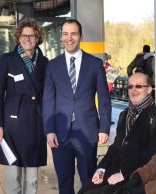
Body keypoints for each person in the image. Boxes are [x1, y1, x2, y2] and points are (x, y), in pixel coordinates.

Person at [42, 19, 112, 194]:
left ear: (81, 36)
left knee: (89, 180)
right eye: (65, 34)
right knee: (64, 182)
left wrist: (104, 127)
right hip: (60, 134)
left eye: (73, 33)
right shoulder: (53, 65)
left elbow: (104, 99)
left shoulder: (95, 64)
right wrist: (49, 130)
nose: (69, 38)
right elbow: (48, 100)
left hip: (87, 132)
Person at [78, 72, 156, 194]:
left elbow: (153, 154)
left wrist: (124, 174)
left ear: (149, 89)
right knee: (84, 190)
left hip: (136, 176)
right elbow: (115, 147)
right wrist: (101, 168)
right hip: (114, 171)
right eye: (130, 86)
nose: (133, 90)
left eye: (139, 86)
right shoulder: (125, 115)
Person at [0, 18, 48, 194]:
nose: (27, 39)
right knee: (13, 175)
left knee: (32, 179)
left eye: (32, 35)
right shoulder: (8, 59)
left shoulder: (45, 62)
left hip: (35, 123)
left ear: (37, 37)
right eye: (24, 35)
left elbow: (48, 95)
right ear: (18, 37)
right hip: (12, 124)